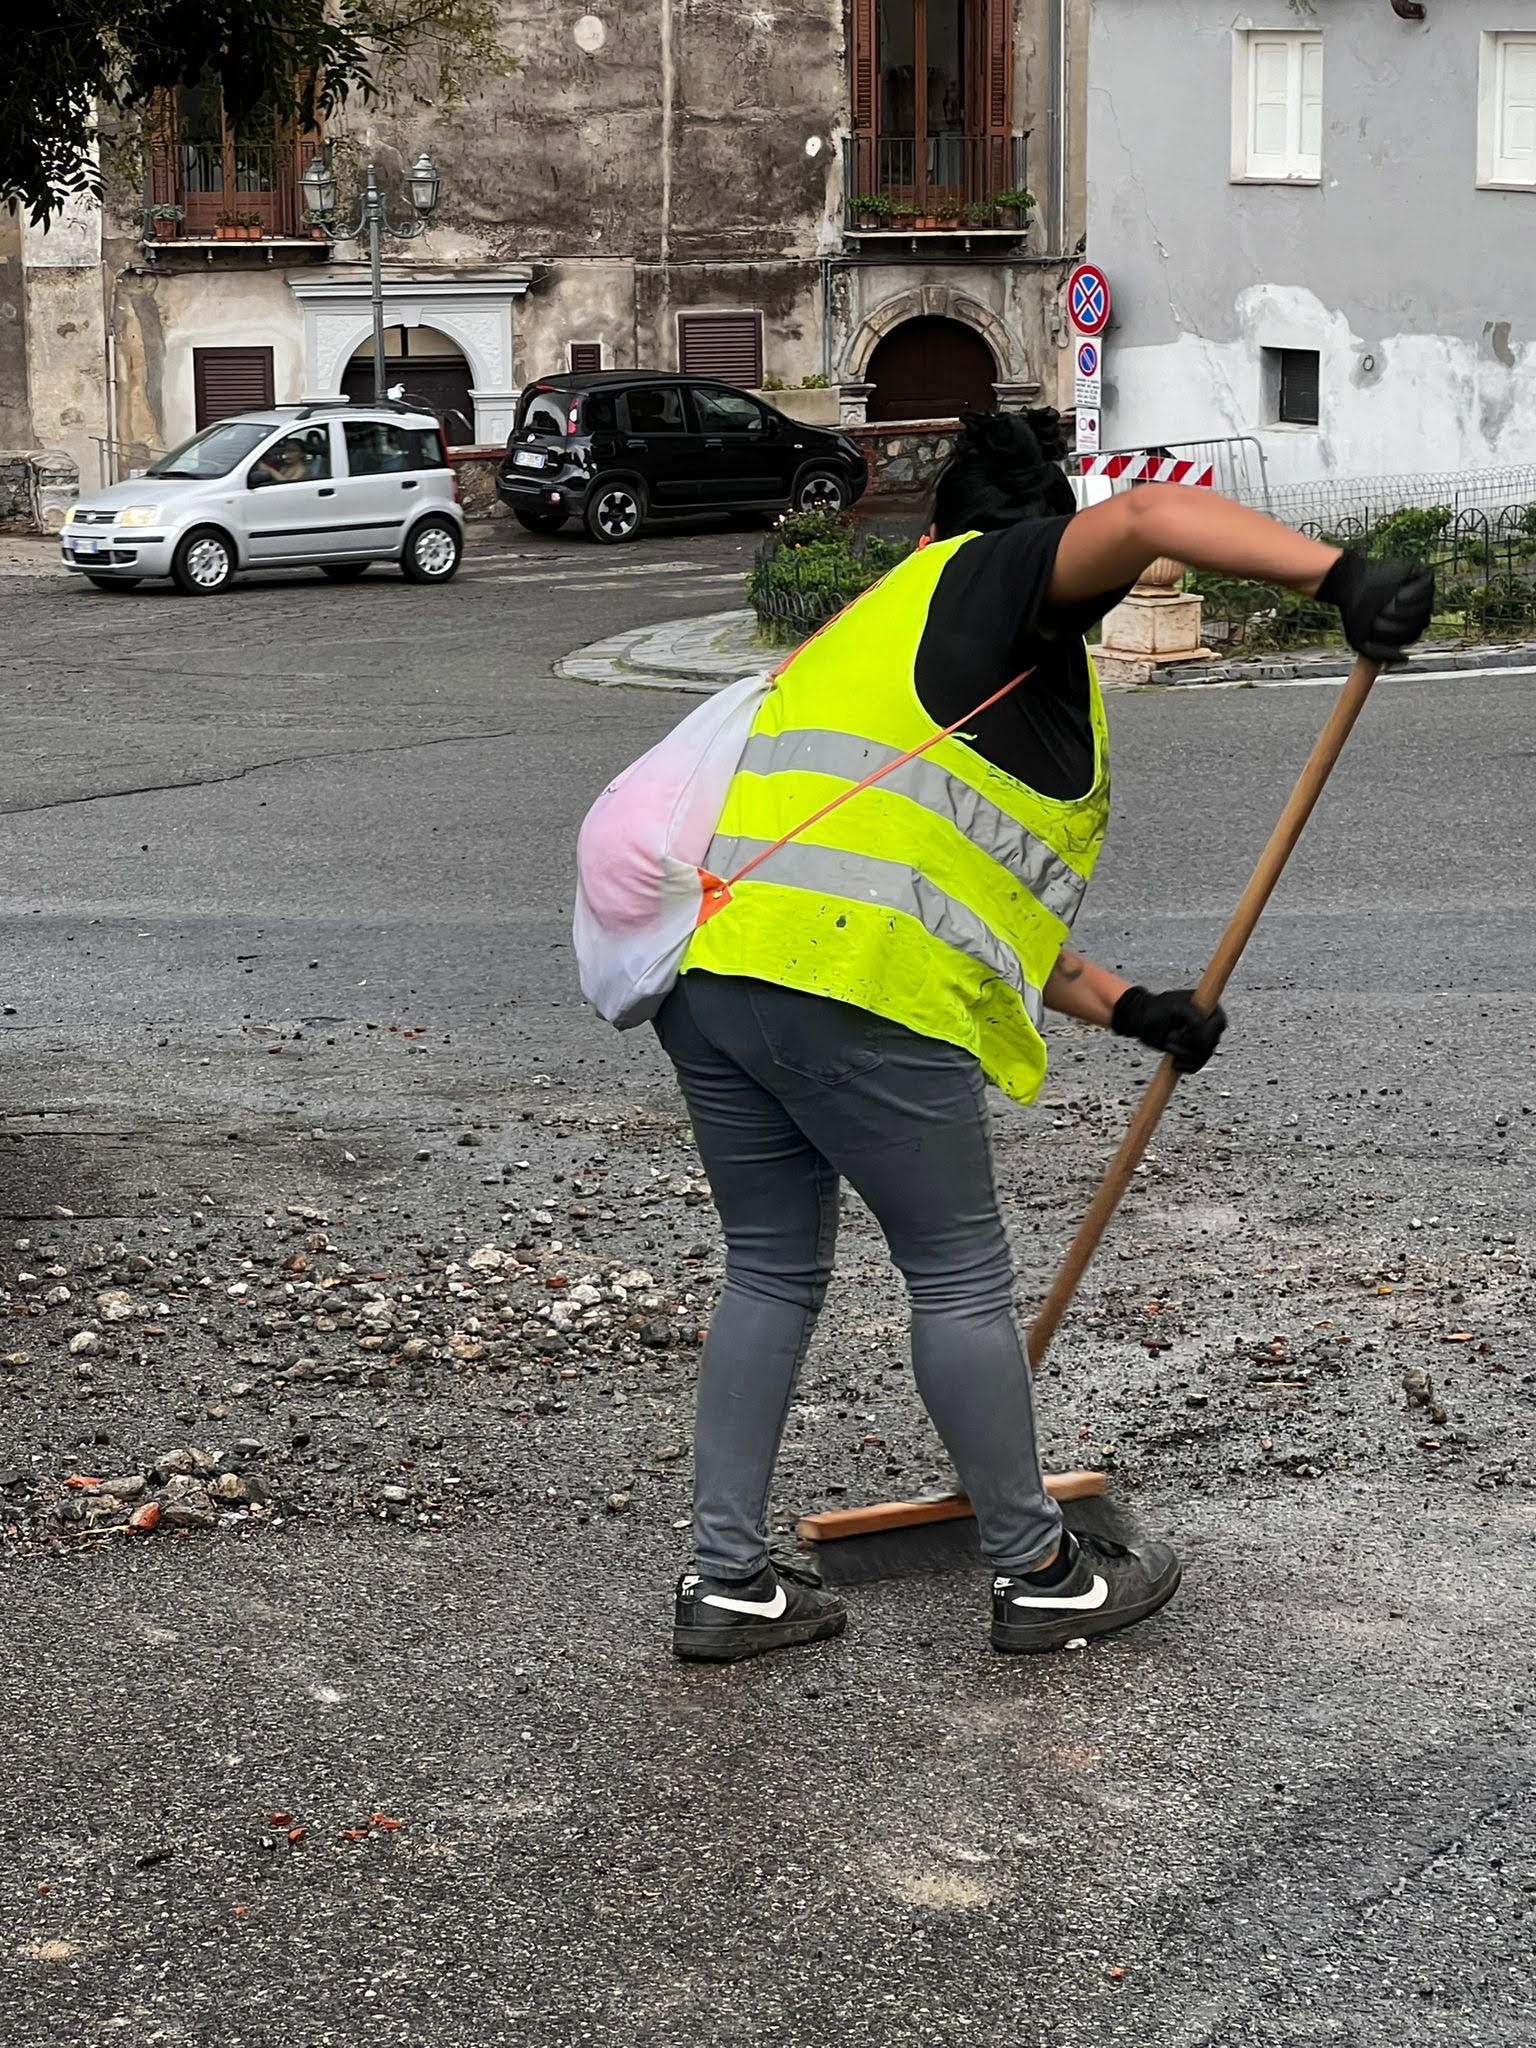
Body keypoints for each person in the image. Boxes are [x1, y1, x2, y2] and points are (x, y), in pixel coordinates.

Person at [656, 410, 1434, 1664]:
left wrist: (1131, 1005)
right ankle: (1038, 1570)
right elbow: (1147, 515)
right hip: (857, 989)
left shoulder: (877, 625)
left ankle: (728, 1580)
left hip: (717, 975)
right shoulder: (997, 575)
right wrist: (1342, 576)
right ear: (1040, 539)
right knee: (958, 1276)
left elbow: (945, 879)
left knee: (771, 1271)